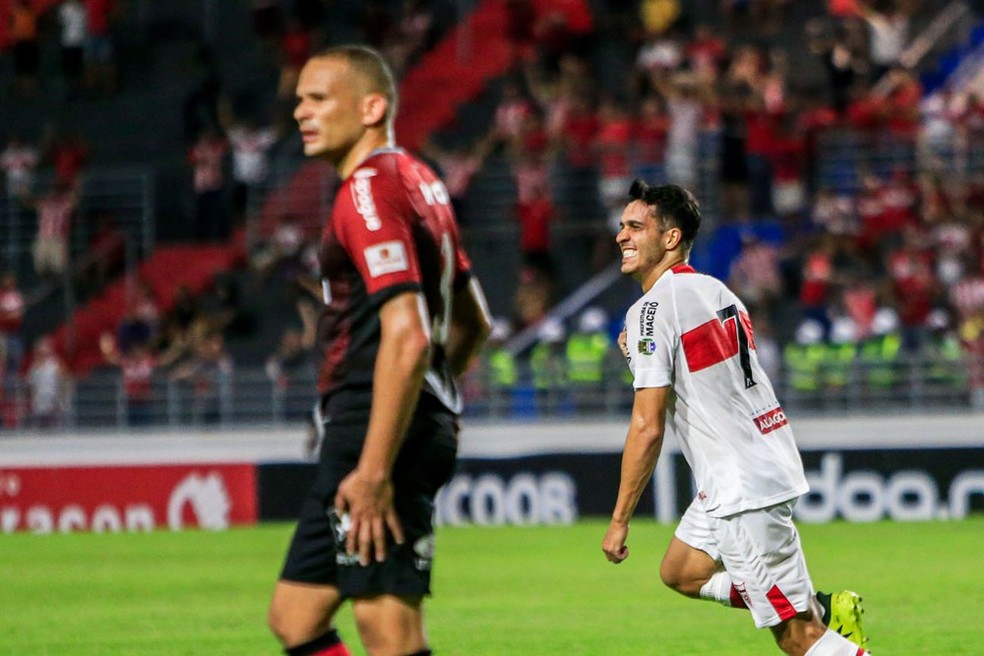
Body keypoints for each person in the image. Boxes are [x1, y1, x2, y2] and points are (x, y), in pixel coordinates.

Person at [267, 45, 492, 656]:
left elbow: (411, 332)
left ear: (372, 107)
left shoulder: (366, 192)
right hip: (391, 419)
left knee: (387, 627)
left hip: (377, 428)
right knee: (296, 615)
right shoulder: (420, 182)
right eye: (298, 101)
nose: (300, 113)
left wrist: (375, 466)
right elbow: (473, 323)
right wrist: (434, 397)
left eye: (317, 99)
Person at [601, 180, 869, 656]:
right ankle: (818, 607)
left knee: (797, 638)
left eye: (635, 226)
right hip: (756, 459)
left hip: (739, 484)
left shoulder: (650, 310)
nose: (622, 235)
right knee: (680, 570)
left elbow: (648, 425)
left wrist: (620, 519)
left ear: (670, 238)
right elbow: (709, 385)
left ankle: (814, 616)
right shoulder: (715, 289)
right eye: (622, 226)